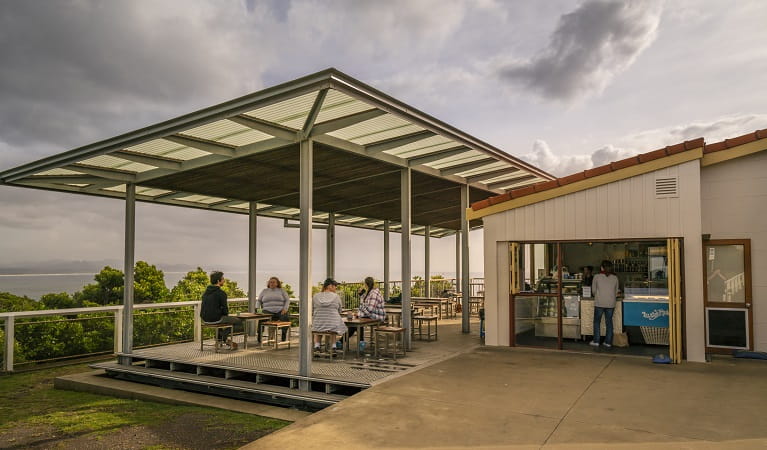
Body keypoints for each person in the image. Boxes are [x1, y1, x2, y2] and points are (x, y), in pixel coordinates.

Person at [200, 271, 241, 350]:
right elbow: (225, 310)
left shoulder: (205, 293)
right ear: (218, 281)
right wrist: (224, 314)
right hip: (216, 319)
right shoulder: (221, 293)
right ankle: (222, 337)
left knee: (223, 322)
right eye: (222, 279)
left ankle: (220, 338)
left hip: (204, 319)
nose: (224, 280)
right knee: (239, 322)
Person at [312, 278, 347, 350]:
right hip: (332, 325)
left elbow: (312, 310)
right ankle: (333, 346)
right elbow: (340, 311)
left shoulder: (315, 296)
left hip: (318, 324)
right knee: (333, 326)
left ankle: (317, 346)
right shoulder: (336, 297)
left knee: (319, 326)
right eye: (334, 286)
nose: (336, 287)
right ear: (329, 286)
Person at [590, 260, 620, 348]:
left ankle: (596, 341)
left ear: (602, 267)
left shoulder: (597, 277)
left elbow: (593, 291)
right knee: (609, 322)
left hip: (599, 302)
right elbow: (616, 292)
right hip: (611, 303)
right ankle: (608, 342)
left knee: (596, 322)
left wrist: (600, 295)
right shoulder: (615, 278)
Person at [348, 276, 386, 343]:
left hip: (377, 317)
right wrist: (362, 295)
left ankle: (342, 341)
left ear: (366, 284)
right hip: (371, 315)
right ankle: (361, 343)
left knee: (357, 322)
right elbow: (365, 306)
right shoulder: (370, 293)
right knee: (357, 322)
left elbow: (369, 310)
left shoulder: (373, 293)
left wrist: (359, 313)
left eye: (364, 284)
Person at [257, 276, 291, 341]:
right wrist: (258, 309)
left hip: (280, 310)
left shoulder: (282, 291)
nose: (272, 283)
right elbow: (259, 301)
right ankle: (259, 337)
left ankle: (283, 337)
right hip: (267, 310)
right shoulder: (264, 291)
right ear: (269, 283)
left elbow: (287, 300)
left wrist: (285, 309)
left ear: (277, 283)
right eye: (270, 282)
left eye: (273, 282)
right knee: (261, 319)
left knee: (285, 318)